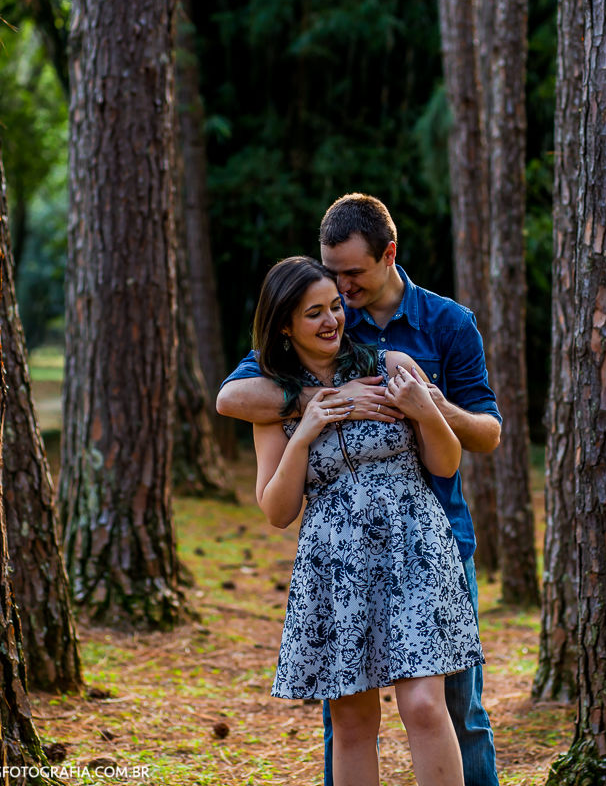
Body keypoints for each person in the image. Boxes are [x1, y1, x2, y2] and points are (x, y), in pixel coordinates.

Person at [217, 194, 502, 786]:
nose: (337, 305)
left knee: (443, 707)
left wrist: (430, 407)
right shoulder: (275, 382)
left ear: (387, 255)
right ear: (288, 323)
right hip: (335, 561)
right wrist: (312, 414)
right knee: (348, 721)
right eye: (318, 305)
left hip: (423, 542)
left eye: (345, 284)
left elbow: (468, 445)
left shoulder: (415, 342)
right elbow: (236, 412)